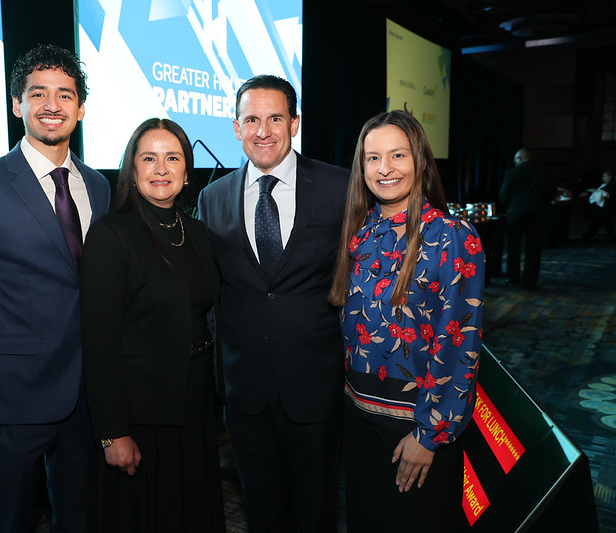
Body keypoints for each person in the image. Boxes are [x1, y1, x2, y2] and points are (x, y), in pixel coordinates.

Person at [0, 44, 110, 532]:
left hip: (84, 399)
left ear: (81, 107)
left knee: (80, 518)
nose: (53, 105)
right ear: (17, 104)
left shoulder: (98, 186)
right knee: (4, 522)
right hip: (9, 406)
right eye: (39, 94)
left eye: (65, 95)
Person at [197, 75, 348, 532]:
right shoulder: (212, 197)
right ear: (236, 126)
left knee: (315, 509)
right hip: (245, 390)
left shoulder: (339, 187)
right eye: (252, 119)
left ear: (295, 123)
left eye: (275, 118)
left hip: (316, 383)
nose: (263, 130)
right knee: (262, 508)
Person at [328, 110, 484, 532]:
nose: (385, 169)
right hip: (358, 418)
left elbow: (459, 345)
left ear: (419, 160)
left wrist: (429, 434)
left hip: (415, 427)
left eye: (397, 155)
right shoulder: (359, 231)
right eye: (373, 158)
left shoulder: (452, 236)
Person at [80, 118, 224, 533]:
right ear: (132, 168)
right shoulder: (111, 234)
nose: (161, 169)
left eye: (172, 158)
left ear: (185, 170)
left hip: (194, 405)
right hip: (140, 416)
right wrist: (111, 433)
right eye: (149, 158)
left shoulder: (196, 231)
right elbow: (98, 341)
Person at [498, 148, 554, 289]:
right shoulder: (544, 172)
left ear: (520, 159)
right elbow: (553, 193)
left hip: (515, 214)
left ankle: (513, 278)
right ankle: (530, 281)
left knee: (513, 247)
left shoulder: (511, 173)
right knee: (533, 248)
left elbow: (503, 196)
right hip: (537, 214)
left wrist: (510, 208)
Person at [581, 169, 615, 243]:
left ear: (609, 177)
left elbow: (606, 194)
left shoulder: (612, 185)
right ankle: (587, 237)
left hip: (606, 207)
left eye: (604, 176)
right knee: (600, 222)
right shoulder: (605, 185)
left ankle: (587, 237)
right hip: (602, 208)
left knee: (604, 223)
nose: (603, 178)